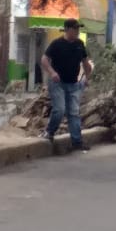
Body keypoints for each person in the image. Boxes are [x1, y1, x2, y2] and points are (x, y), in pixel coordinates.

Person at [40, 19, 94, 152]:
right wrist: (52, 73)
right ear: (68, 29)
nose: (77, 32)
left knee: (74, 113)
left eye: (78, 29)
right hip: (57, 83)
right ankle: (49, 132)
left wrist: (87, 77)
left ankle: (77, 142)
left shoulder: (80, 44)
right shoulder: (57, 44)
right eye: (75, 29)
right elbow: (44, 59)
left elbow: (86, 63)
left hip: (73, 84)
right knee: (59, 109)